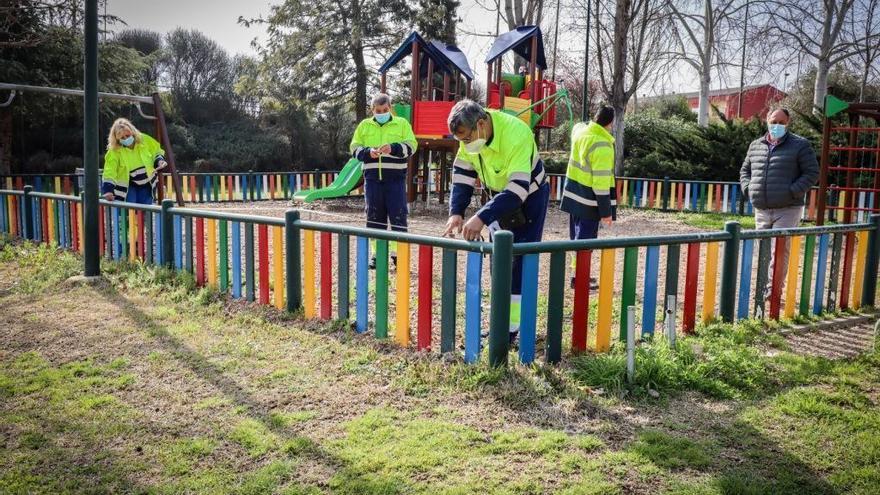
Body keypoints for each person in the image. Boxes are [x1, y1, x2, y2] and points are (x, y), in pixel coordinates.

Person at [443, 99, 550, 344]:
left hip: (528, 196)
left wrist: (481, 217)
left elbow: (518, 189)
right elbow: (463, 174)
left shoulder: (516, 134)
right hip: (497, 196)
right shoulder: (470, 135)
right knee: (499, 261)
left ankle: (511, 329)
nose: (465, 145)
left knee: (518, 262)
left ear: (481, 124)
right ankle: (499, 323)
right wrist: (456, 211)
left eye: (467, 139)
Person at [740, 108, 819, 303]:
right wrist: (749, 190)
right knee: (764, 249)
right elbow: (745, 170)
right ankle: (762, 287)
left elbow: (811, 173)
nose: (777, 126)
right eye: (774, 121)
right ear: (767, 119)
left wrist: (792, 191)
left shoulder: (800, 145)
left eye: (782, 123)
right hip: (761, 208)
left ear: (788, 123)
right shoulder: (755, 145)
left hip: (788, 208)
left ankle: (773, 291)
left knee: (779, 250)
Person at [349, 93, 417, 268]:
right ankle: (377, 255)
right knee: (373, 217)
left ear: (390, 108)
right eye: (378, 110)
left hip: (396, 180)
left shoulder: (401, 123)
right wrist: (367, 152)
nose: (382, 112)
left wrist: (393, 148)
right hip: (372, 180)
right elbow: (354, 148)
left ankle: (398, 255)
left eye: (385, 110)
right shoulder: (364, 126)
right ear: (372, 110)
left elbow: (412, 146)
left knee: (398, 216)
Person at [561, 106, 617, 290]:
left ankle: (576, 275)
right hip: (589, 201)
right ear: (610, 123)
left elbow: (577, 125)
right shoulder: (602, 145)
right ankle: (580, 278)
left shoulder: (579, 132)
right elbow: (600, 184)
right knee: (586, 240)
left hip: (573, 195)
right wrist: (606, 212)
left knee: (577, 238)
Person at [102, 118, 167, 204]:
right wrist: (108, 189)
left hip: (147, 183)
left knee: (146, 211)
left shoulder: (145, 139)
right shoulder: (114, 151)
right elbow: (110, 170)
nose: (125, 139)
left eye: (127, 135)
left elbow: (156, 151)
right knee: (130, 210)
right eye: (122, 138)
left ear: (132, 131)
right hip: (128, 186)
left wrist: (159, 161)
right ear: (117, 139)